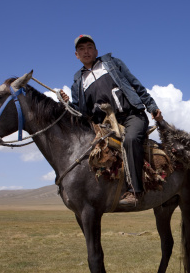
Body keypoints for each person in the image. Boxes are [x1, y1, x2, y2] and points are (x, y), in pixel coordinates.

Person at [60, 35, 162, 206]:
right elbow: (81, 113)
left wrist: (152, 107)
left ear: (96, 51)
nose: (86, 51)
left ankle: (136, 191)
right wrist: (67, 103)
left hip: (131, 116)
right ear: (76, 55)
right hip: (105, 125)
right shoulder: (78, 81)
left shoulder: (113, 64)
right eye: (82, 49)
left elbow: (135, 84)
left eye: (89, 47)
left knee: (130, 140)